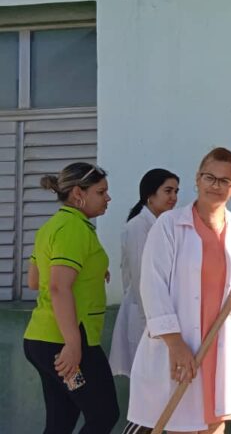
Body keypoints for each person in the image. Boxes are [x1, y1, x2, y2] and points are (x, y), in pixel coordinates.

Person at [126, 148, 231, 434]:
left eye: (225, 181)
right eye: (210, 177)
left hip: (220, 344)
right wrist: (175, 344)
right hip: (181, 345)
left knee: (214, 423)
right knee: (178, 422)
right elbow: (152, 284)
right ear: (197, 179)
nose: (215, 186)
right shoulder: (169, 225)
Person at [23, 162, 119, 433]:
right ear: (79, 193)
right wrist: (73, 346)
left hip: (41, 341)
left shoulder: (51, 227)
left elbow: (34, 281)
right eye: (101, 192)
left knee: (60, 421)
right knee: (103, 414)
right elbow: (57, 287)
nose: (108, 198)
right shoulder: (73, 229)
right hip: (66, 344)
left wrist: (93, 271)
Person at [109, 168, 179, 377]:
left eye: (176, 191)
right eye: (168, 191)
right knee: (147, 379)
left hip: (159, 316)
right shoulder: (138, 227)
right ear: (150, 196)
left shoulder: (164, 225)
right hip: (145, 316)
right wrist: (152, 320)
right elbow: (141, 278)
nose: (174, 198)